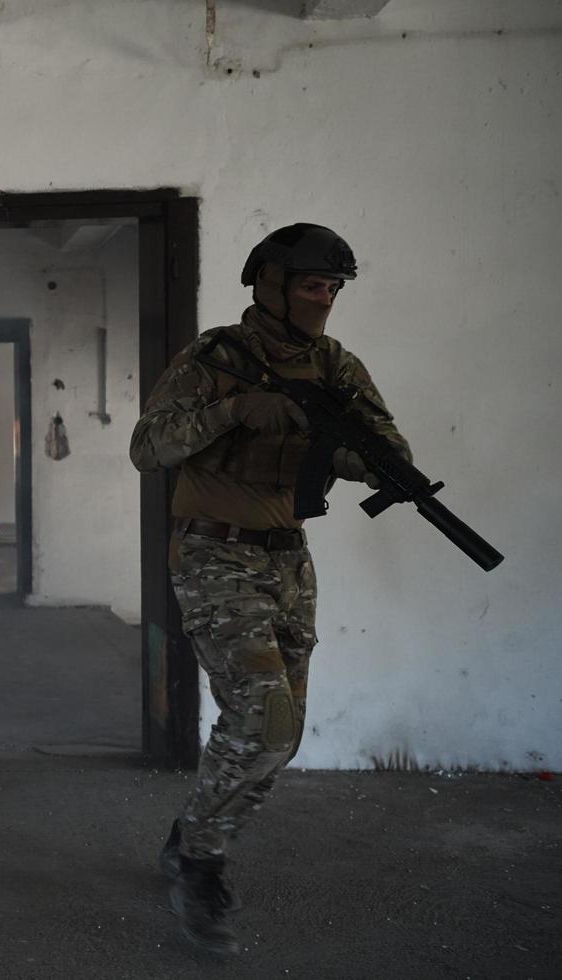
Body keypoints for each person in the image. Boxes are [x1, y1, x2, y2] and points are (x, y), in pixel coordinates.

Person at [129, 223, 411, 955]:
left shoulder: (335, 367)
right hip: (213, 558)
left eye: (334, 289)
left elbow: (385, 445)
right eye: (314, 285)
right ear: (270, 284)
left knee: (277, 740)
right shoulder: (216, 358)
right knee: (265, 720)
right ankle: (198, 867)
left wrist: (365, 460)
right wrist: (230, 413)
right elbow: (147, 447)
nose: (325, 300)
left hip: (288, 560)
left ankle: (193, 833)